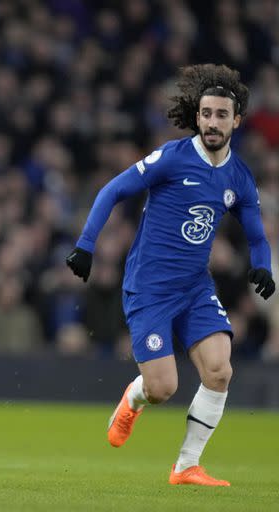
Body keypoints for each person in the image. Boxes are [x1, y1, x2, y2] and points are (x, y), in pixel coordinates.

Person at [66, 64, 274, 486]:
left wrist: (263, 265)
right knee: (163, 388)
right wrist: (86, 245)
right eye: (206, 113)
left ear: (236, 120)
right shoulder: (172, 158)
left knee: (219, 371)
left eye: (221, 115)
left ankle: (186, 466)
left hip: (196, 288)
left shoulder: (239, 176)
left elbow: (256, 233)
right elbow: (113, 190)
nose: (212, 122)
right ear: (197, 116)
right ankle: (134, 397)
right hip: (149, 288)